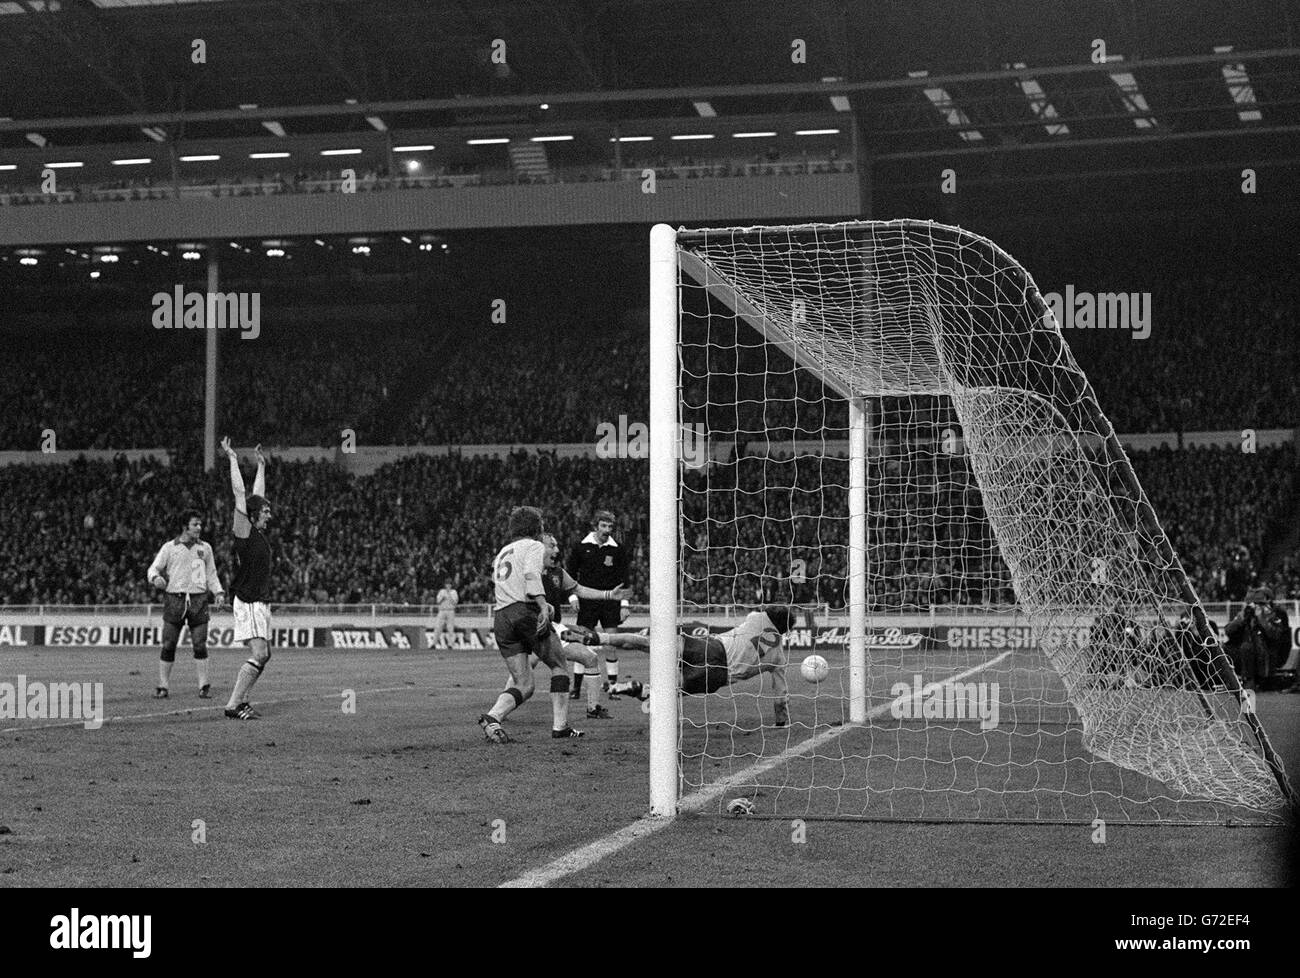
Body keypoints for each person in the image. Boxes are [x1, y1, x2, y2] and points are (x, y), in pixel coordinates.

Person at [478, 507, 581, 743]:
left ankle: (493, 717)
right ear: (537, 527)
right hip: (524, 612)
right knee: (559, 664)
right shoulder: (534, 546)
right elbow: (531, 575)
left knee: (524, 683)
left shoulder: (502, 552)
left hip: (502, 617)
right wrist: (544, 605)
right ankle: (560, 727)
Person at [601, 606, 797, 727]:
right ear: (786, 630)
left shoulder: (756, 617)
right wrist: (781, 723)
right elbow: (781, 695)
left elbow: (765, 613)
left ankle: (600, 637)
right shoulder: (778, 657)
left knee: (648, 643)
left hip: (709, 646)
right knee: (670, 693)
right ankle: (639, 689)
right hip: (720, 674)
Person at [221, 438, 274, 720]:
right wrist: (232, 457)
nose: (269, 514)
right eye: (265, 511)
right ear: (252, 517)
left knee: (265, 655)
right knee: (260, 652)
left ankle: (241, 702)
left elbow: (256, 494)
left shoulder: (257, 533)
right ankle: (234, 704)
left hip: (259, 600)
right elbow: (241, 493)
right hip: (249, 599)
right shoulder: (243, 530)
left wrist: (261, 466)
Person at [146, 510, 224, 699]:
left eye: (200, 524)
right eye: (195, 524)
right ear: (185, 527)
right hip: (175, 599)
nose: (199, 527)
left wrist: (219, 592)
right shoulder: (169, 548)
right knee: (169, 643)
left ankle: (203, 685)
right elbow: (153, 569)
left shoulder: (205, 548)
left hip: (198, 600)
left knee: (199, 643)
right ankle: (163, 686)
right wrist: (155, 578)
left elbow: (211, 573)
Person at [567, 509, 630, 698]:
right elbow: (570, 574)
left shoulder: (617, 549)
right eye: (604, 526)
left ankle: (612, 688)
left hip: (611, 602)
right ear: (596, 526)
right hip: (587, 600)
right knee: (582, 644)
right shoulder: (581, 547)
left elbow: (625, 577)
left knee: (611, 644)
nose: (607, 530)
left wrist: (625, 604)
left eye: (610, 526)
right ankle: (576, 688)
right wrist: (572, 597)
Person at [1224, 587, 1291, 691]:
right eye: (1253, 603)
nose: (1255, 606)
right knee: (1226, 648)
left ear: (1268, 601)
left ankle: (1252, 681)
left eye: (1259, 603)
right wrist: (1241, 619)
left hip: (1269, 652)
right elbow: (1228, 631)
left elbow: (1276, 636)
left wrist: (1261, 618)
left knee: (1247, 647)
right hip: (1246, 652)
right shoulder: (1246, 612)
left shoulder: (1276, 613)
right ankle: (1229, 681)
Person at [432, 577, 459, 648]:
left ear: (451, 585)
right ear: (445, 585)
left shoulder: (454, 592)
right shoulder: (441, 591)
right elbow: (438, 601)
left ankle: (450, 644)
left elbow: (455, 603)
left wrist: (449, 596)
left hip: (450, 611)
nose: (448, 586)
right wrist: (443, 598)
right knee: (438, 627)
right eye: (447, 584)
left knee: (450, 628)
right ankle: (433, 644)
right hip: (442, 610)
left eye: (449, 584)